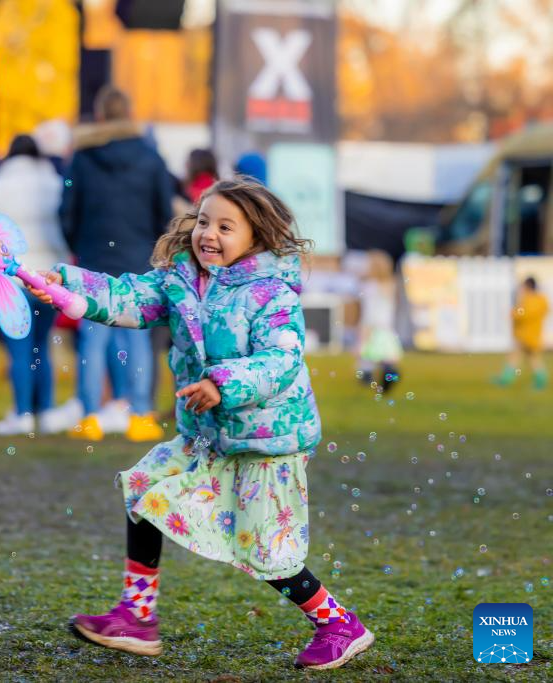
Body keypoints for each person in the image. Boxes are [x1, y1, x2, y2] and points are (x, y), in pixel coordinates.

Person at [30, 177, 374, 670]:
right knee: (144, 490)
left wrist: (222, 384)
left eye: (225, 227)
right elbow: (127, 297)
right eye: (205, 221)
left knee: (266, 553)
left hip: (264, 441)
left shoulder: (271, 293)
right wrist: (66, 286)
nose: (208, 234)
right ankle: (136, 616)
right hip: (207, 436)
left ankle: (339, 623)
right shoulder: (181, 280)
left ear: (256, 237)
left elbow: (282, 360)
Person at [60, 85, 174, 442]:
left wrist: (79, 246)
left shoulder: (82, 158)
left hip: (94, 257)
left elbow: (67, 211)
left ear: (99, 115)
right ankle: (140, 415)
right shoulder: (151, 157)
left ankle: (90, 416)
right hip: (139, 258)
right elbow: (164, 211)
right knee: (138, 340)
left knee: (92, 341)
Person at [0, 134, 73, 436]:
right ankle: (45, 410)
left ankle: (21, 413)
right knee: (41, 346)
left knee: (18, 349)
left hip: (12, 280)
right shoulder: (55, 184)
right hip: (48, 277)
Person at [356, 250, 402, 392]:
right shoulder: (392, 285)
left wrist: (364, 331)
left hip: (372, 325)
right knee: (388, 358)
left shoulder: (370, 286)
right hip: (387, 327)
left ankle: (371, 382)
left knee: (367, 355)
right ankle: (389, 380)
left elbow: (369, 311)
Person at [496, 276, 549, 389]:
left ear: (527, 286)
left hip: (525, 335)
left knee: (514, 357)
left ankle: (506, 379)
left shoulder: (530, 299)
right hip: (535, 334)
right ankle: (541, 380)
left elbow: (524, 313)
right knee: (533, 358)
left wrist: (513, 313)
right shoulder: (541, 299)